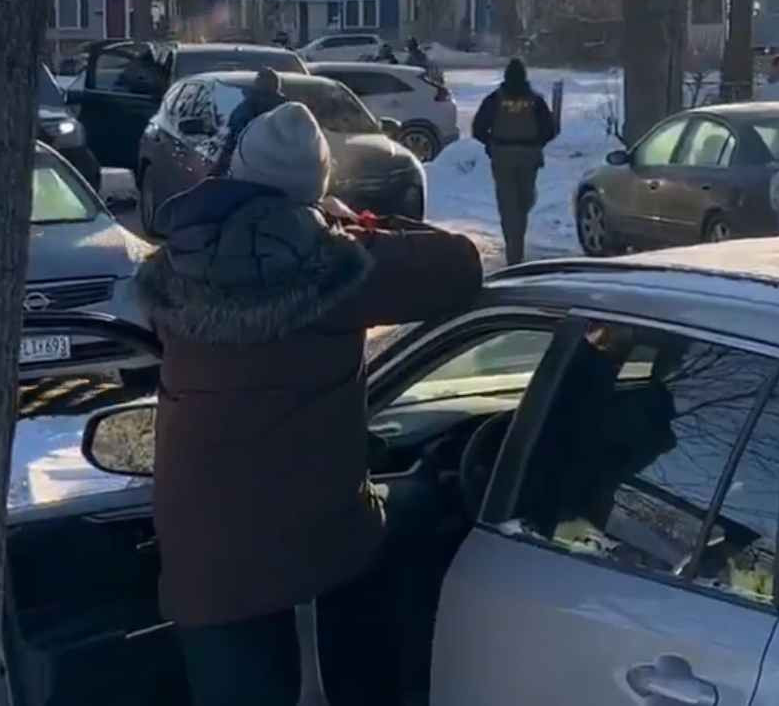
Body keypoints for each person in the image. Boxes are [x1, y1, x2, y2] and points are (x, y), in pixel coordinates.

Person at [140, 101, 483, 706]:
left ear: (237, 172)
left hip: (201, 557)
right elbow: (460, 266)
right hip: (310, 551)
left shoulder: (178, 260)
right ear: (316, 188)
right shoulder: (335, 266)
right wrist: (360, 225)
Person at [472, 57, 559, 265]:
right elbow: (550, 129)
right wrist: (536, 143)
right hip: (525, 156)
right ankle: (515, 248)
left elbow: (478, 128)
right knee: (522, 201)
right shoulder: (535, 101)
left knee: (510, 204)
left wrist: (491, 143)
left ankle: (514, 240)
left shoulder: (495, 100)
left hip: (505, 156)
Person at [212, 66, 284, 176]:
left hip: (250, 165)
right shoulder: (288, 109)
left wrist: (218, 171)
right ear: (277, 86)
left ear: (257, 85)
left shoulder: (247, 107)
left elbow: (233, 138)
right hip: (282, 167)